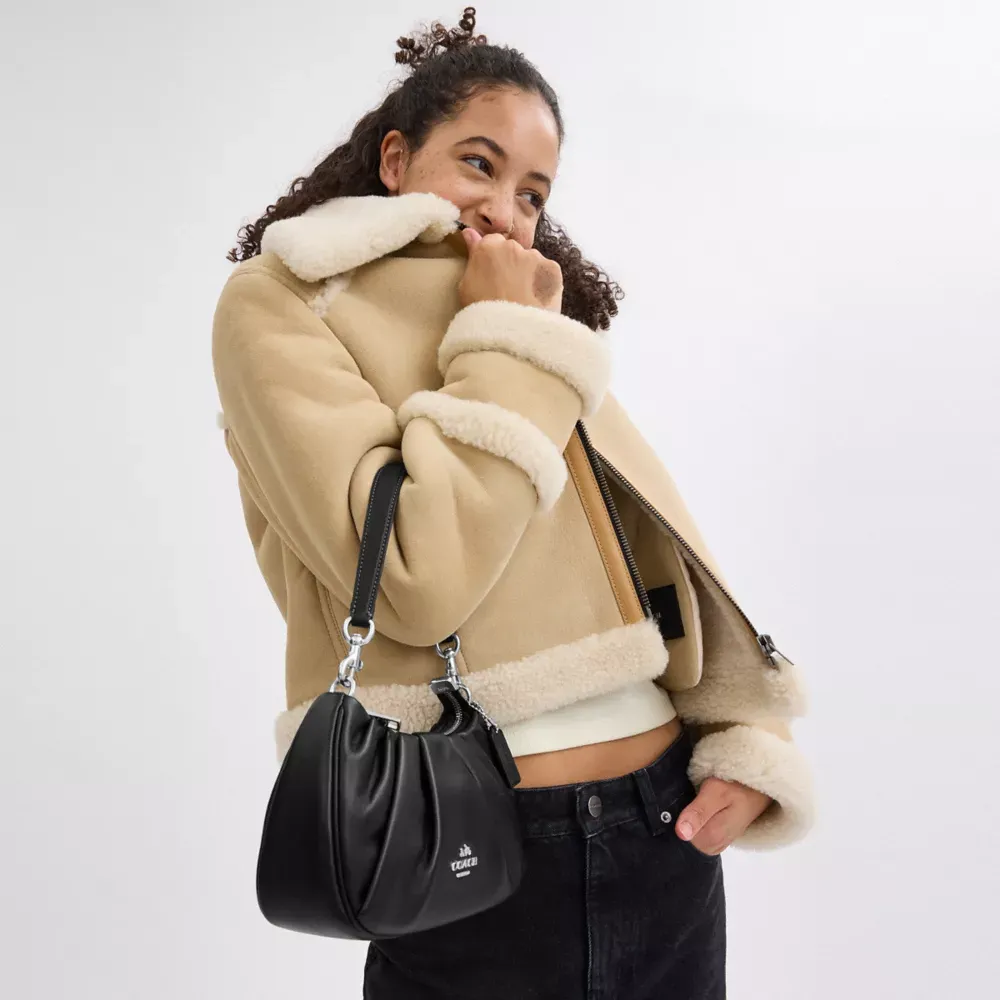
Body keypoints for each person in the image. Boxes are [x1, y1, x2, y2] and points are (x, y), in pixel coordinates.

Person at [212, 8, 814, 998]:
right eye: (478, 164)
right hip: (467, 853)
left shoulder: (530, 319)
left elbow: (647, 541)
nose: (505, 209)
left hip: (665, 835)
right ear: (396, 159)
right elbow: (415, 581)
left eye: (533, 192)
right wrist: (500, 333)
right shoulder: (285, 301)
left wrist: (750, 738)